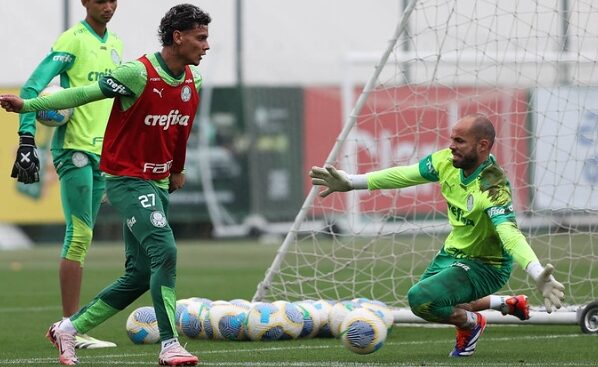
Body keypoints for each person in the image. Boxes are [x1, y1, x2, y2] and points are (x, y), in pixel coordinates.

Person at [1, 3, 210, 366]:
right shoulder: (137, 72)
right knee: (165, 251)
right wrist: (28, 107)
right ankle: (170, 344)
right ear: (178, 37)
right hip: (126, 178)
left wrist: (177, 168)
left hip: (158, 180)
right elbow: (83, 94)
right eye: (201, 37)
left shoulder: (194, 81)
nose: (207, 46)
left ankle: (69, 327)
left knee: (141, 273)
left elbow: (181, 129)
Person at [309, 113, 565, 357]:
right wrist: (351, 182)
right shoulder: (446, 161)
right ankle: (506, 303)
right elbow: (404, 175)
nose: (451, 146)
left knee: (421, 299)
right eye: (452, 139)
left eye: (459, 141)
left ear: (482, 145)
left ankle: (471, 325)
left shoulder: (493, 186)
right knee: (442, 303)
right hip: (452, 253)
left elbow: (510, 233)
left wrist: (535, 270)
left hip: (486, 265)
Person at [13, 0, 122, 349]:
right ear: (85, 2)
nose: (108, 5)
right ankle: (69, 329)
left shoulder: (117, 45)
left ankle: (72, 327)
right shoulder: (72, 40)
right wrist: (27, 137)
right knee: (78, 234)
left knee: (85, 237)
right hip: (73, 149)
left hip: (102, 152)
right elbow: (32, 88)